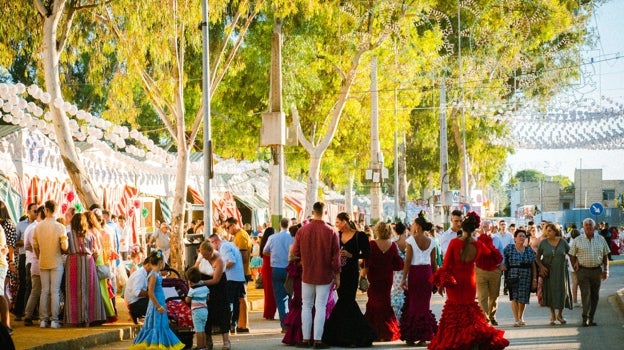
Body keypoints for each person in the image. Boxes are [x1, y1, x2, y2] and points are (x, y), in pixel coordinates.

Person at [429, 211, 509, 350]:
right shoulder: (479, 244)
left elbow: (446, 265)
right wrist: (485, 237)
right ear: (474, 229)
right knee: (468, 309)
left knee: (454, 310)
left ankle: (455, 340)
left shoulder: (454, 243)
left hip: (454, 282)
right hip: (470, 281)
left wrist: (441, 284)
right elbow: (493, 256)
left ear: (462, 228)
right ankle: (471, 338)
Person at [291, 202, 341, 349]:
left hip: (307, 274)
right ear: (325, 212)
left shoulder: (302, 230)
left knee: (306, 306)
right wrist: (337, 276)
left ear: (313, 212)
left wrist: (303, 260)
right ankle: (318, 340)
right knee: (321, 307)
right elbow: (336, 257)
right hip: (325, 275)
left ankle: (306, 339)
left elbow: (295, 252)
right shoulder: (332, 231)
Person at [322, 212, 376, 347]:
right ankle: (347, 334)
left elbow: (368, 253)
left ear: (345, 222)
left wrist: (353, 255)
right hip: (340, 272)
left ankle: (350, 335)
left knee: (348, 301)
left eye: (338, 222)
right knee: (344, 302)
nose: (337, 225)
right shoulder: (337, 235)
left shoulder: (360, 236)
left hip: (352, 272)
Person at [130, 250, 184, 349]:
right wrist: (158, 306)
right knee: (157, 324)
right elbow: (150, 292)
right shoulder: (153, 275)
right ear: (160, 262)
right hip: (156, 303)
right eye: (164, 262)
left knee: (161, 324)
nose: (164, 264)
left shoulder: (157, 273)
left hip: (160, 301)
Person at [399, 212, 438, 346]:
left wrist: (404, 278)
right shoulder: (432, 242)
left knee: (414, 304)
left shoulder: (410, 240)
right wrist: (437, 279)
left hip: (415, 273)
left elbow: (408, 260)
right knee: (424, 305)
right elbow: (434, 264)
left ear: (419, 226)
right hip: (427, 273)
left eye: (414, 224)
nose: (412, 226)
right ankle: (423, 336)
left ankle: (412, 335)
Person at [363, 221, 403, 342]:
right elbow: (398, 264)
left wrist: (363, 275)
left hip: (374, 277)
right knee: (385, 302)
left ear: (377, 231)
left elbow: (366, 262)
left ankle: (373, 331)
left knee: (373, 302)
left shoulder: (372, 244)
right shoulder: (393, 245)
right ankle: (386, 331)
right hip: (387, 278)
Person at [64, 213, 107, 326]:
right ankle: (90, 318)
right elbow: (96, 252)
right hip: (88, 262)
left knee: (73, 290)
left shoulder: (69, 235)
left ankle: (75, 319)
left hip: (73, 262)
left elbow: (65, 249)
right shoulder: (90, 235)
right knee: (90, 289)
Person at [33, 200, 68, 329]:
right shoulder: (60, 227)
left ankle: (43, 320)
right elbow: (65, 246)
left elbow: (35, 245)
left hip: (43, 261)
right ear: (56, 210)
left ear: (46, 210)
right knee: (55, 292)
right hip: (56, 261)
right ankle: (54, 320)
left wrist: (39, 256)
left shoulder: (38, 226)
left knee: (44, 291)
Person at [569, 218, 610, 327]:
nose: (588, 227)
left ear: (594, 227)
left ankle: (591, 318)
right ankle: (585, 318)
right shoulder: (578, 240)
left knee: (595, 296)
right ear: (583, 227)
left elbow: (606, 255)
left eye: (590, 225)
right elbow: (571, 254)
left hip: (597, 271)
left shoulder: (601, 239)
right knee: (585, 294)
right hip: (583, 271)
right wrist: (575, 264)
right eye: (586, 225)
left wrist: (606, 270)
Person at [196, 240, 231, 350]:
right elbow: (195, 269)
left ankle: (226, 340)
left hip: (218, 288)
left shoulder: (219, 260)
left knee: (222, 313)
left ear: (211, 251)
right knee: (206, 314)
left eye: (206, 255)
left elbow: (216, 280)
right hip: (204, 285)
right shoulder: (201, 256)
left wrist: (201, 283)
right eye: (203, 255)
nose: (205, 257)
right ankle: (208, 340)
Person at [209, 232, 246, 335]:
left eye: (211, 244)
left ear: (215, 242)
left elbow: (231, 261)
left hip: (231, 278)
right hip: (237, 277)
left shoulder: (224, 247)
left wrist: (219, 269)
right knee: (235, 302)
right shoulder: (229, 244)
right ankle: (233, 324)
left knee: (229, 302)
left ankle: (228, 325)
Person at [536, 223, 573, 325]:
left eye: (550, 231)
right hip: (548, 272)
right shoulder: (543, 243)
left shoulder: (563, 242)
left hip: (561, 271)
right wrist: (542, 267)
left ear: (555, 231)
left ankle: (560, 315)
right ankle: (552, 315)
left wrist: (576, 263)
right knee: (549, 292)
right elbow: (537, 257)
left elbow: (571, 253)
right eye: (547, 230)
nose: (547, 233)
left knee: (562, 291)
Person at [263, 217, 294, 332]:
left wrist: (274, 255)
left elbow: (265, 251)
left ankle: (284, 326)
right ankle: (291, 323)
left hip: (276, 269)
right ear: (289, 225)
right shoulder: (293, 237)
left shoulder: (272, 237)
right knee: (291, 297)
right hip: (290, 269)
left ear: (280, 225)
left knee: (280, 299)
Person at [223, 217, 252, 333]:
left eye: (228, 227)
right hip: (240, 273)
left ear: (234, 225)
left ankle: (243, 325)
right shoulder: (237, 236)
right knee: (239, 299)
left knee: (241, 299)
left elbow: (243, 257)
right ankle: (241, 323)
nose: (227, 230)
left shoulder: (241, 236)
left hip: (242, 272)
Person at [503, 229, 537, 327]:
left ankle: (521, 317)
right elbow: (503, 259)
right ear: (515, 238)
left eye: (523, 236)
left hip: (526, 275)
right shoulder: (509, 248)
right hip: (512, 274)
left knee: (523, 297)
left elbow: (533, 264)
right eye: (520, 236)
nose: (522, 238)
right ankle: (516, 319)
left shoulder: (528, 250)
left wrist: (534, 279)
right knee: (514, 297)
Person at [475, 220, 505, 326]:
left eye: (486, 226)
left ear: (491, 227)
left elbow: (501, 252)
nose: (484, 227)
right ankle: (485, 318)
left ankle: (492, 316)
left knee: (494, 295)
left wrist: (501, 265)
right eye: (483, 225)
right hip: (480, 270)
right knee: (482, 296)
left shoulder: (496, 239)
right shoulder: (476, 239)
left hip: (495, 270)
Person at [13, 203, 37, 321]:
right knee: (24, 284)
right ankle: (18, 312)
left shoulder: (39, 225)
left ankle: (31, 312)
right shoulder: (20, 225)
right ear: (28, 211)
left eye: (37, 211)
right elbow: (14, 242)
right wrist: (24, 242)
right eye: (34, 211)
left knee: (34, 286)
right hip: (24, 256)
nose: (36, 213)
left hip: (35, 258)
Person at [23, 206, 44, 326]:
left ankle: (28, 315)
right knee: (44, 291)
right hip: (40, 262)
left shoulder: (31, 228)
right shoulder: (38, 228)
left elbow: (26, 246)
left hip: (33, 261)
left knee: (34, 291)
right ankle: (43, 317)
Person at [0, 200, 17, 325]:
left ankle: (7, 324)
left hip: (3, 261)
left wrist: (11, 262)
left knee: (2, 292)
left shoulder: (8, 224)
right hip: (4, 260)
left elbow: (11, 246)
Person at [185, 266, 210, 350]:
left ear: (190, 281)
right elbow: (207, 298)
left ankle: (200, 347)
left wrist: (187, 294)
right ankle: (204, 346)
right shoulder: (205, 288)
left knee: (198, 331)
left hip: (197, 312)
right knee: (202, 329)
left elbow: (188, 300)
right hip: (205, 310)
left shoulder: (192, 290)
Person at [125, 257, 152, 324]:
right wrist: (150, 293)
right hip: (134, 303)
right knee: (156, 302)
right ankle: (136, 312)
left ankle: (137, 314)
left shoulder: (143, 273)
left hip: (135, 301)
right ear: (148, 265)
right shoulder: (140, 275)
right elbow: (136, 292)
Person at [390, 221, 408, 320]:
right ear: (405, 230)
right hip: (408, 272)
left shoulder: (393, 243)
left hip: (397, 273)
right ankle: (407, 318)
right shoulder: (409, 241)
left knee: (397, 293)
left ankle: (397, 318)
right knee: (407, 294)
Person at [259, 227, 277, 320]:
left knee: (268, 291)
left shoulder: (263, 242)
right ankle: (270, 312)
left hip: (266, 267)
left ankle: (268, 312)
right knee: (272, 291)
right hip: (271, 267)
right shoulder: (272, 242)